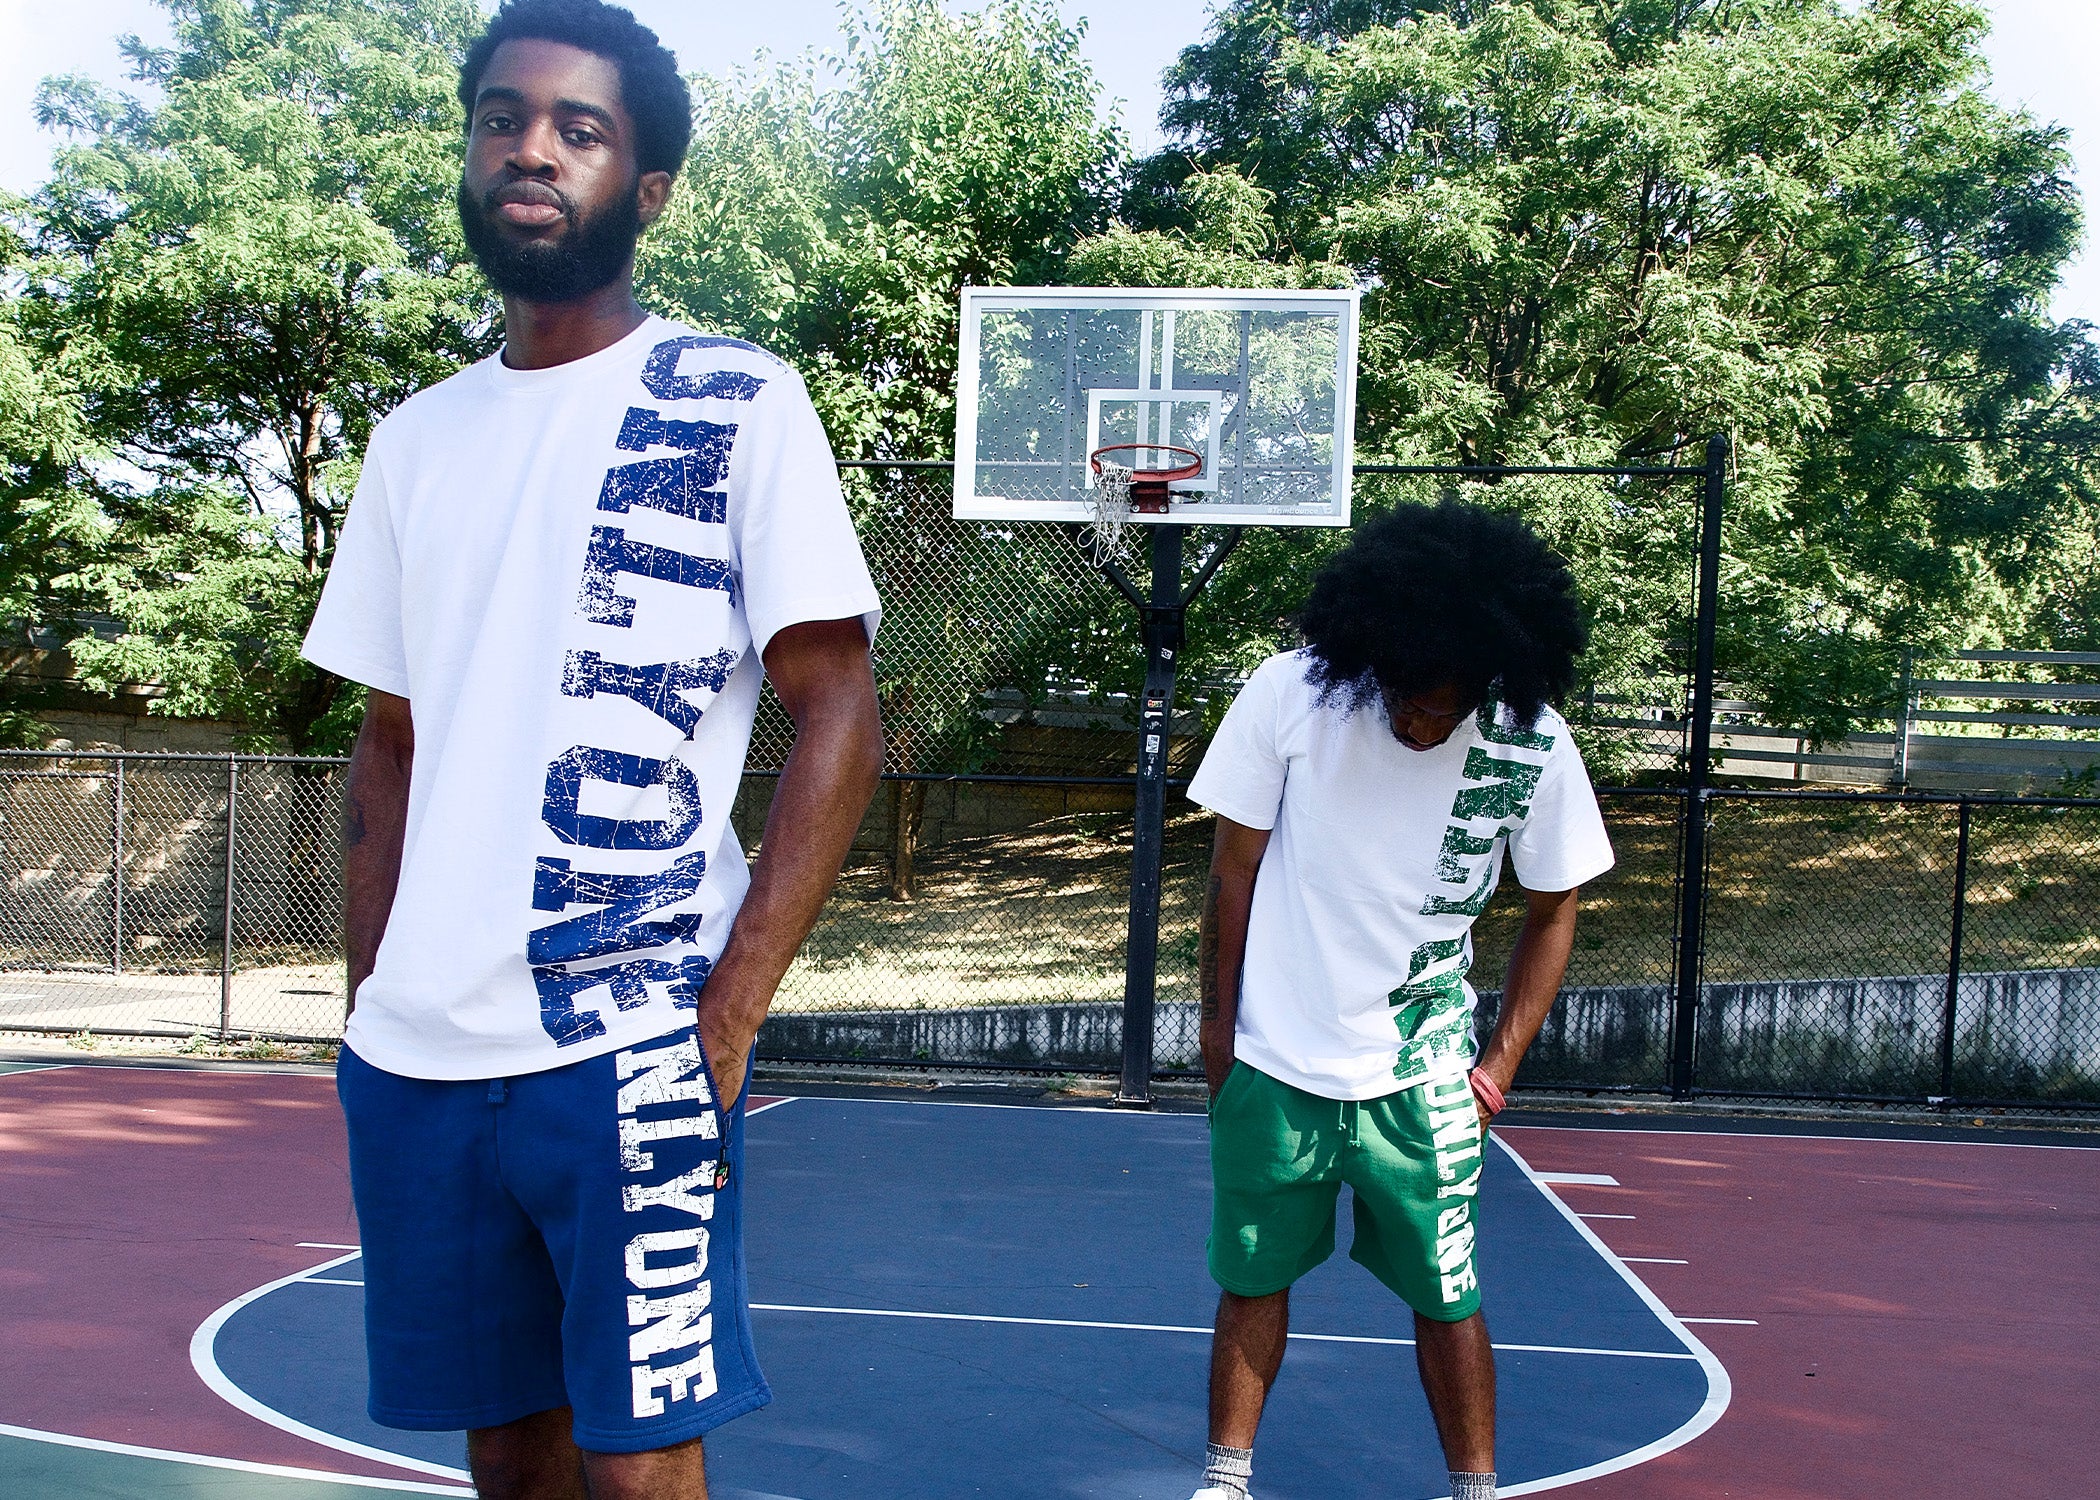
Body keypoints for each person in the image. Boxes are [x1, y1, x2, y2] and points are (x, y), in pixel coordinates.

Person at [301, 3, 883, 1496]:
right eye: (503, 117)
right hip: (422, 1055)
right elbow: (387, 746)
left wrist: (734, 1001)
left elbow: (840, 712)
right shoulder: (414, 438)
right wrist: (368, 1003)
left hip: (628, 1033)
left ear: (650, 186)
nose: (531, 149)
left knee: (637, 1468)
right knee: (507, 1453)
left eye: (579, 128)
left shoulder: (738, 400)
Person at [1181, 500, 1614, 1500]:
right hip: (1275, 1065)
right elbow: (1231, 872)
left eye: (1443, 704)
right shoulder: (1293, 695)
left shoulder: (1530, 743)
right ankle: (1226, 1479)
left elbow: (1556, 907)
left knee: (1448, 1293)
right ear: (1372, 655)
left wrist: (1496, 1070)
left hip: (1422, 1077)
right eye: (1407, 699)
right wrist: (1218, 1035)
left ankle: (1473, 1488)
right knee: (1250, 1281)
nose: (1422, 722)